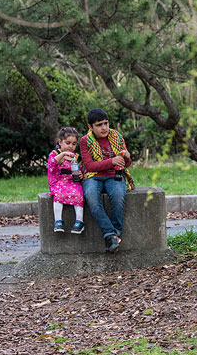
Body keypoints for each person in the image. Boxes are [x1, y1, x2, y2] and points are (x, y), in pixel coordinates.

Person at [80, 108, 133, 253]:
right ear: (90, 127)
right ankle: (111, 235)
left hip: (114, 175)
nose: (104, 128)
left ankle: (114, 234)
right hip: (93, 176)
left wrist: (127, 157)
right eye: (99, 125)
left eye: (106, 123)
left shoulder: (116, 136)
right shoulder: (85, 141)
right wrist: (111, 161)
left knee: (118, 197)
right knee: (91, 197)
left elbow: (126, 164)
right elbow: (89, 166)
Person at [47, 127, 85, 234]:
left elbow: (80, 170)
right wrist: (62, 155)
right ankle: (58, 221)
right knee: (58, 195)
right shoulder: (55, 154)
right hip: (59, 181)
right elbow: (51, 165)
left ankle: (79, 221)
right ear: (60, 142)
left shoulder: (76, 157)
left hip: (72, 182)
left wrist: (80, 175)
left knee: (78, 194)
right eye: (68, 143)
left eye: (73, 144)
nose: (70, 146)